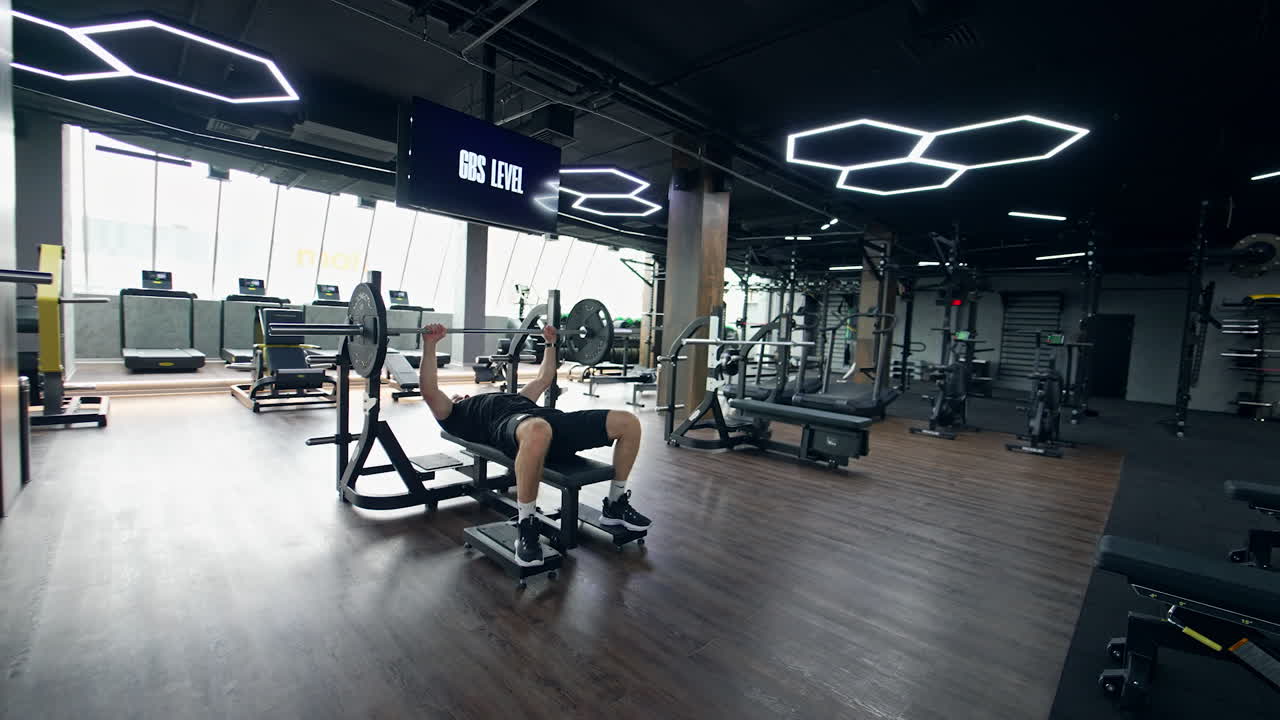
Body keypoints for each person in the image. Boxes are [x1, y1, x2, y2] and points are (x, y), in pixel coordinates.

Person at [419, 322, 651, 567]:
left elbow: (543, 378)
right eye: (455, 395)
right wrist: (430, 345)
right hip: (515, 428)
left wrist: (550, 342)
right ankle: (526, 524)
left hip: (553, 423)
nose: (460, 394)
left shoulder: (514, 397)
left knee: (627, 422)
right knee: (538, 429)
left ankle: (615, 504)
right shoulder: (456, 415)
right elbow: (430, 389)